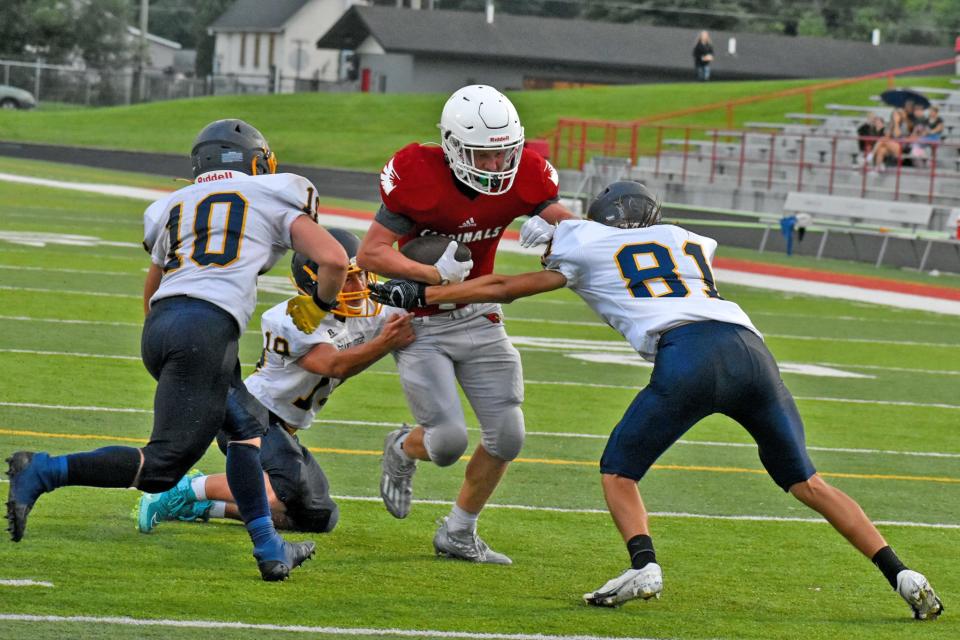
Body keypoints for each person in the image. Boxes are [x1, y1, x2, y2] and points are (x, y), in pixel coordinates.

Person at [367, 180, 944, 620]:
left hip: (688, 354)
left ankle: (644, 566)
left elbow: (505, 286)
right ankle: (901, 573)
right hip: (750, 352)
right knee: (808, 483)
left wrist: (429, 291)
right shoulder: (688, 241)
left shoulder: (585, 241)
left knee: (618, 471)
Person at [5, 119, 350, 582]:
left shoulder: (172, 204)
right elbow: (333, 259)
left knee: (247, 430)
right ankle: (44, 471)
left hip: (165, 327)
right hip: (206, 331)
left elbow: (151, 294)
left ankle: (270, 549)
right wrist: (320, 305)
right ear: (253, 161)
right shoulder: (273, 192)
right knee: (161, 467)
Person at [310, 84, 574, 565]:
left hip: (479, 312)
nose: (497, 167)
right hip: (420, 321)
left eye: (504, 155)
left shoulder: (527, 175)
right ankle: (403, 446)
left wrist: (565, 232)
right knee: (448, 442)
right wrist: (430, 273)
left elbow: (571, 231)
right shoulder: (419, 176)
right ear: (453, 147)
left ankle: (458, 532)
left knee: (509, 435)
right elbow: (371, 254)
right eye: (483, 155)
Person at [136, 230, 415, 534]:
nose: (359, 286)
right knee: (283, 488)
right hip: (250, 414)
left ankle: (203, 506)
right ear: (315, 284)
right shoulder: (292, 318)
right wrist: (386, 342)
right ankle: (184, 489)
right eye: (347, 278)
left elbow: (419, 308)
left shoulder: (370, 308)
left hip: (283, 428)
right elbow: (333, 365)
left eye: (361, 275)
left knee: (317, 516)